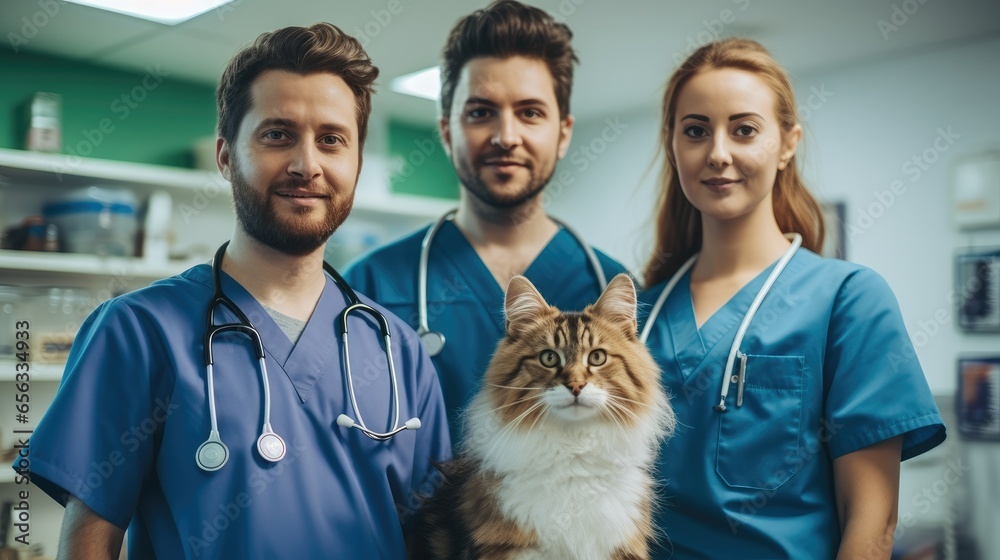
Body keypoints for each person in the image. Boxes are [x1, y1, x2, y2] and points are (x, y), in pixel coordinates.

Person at [21, 24, 451, 559]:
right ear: (226, 156)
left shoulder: (399, 351)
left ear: (357, 164)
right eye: (277, 134)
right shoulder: (139, 331)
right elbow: (89, 545)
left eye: (332, 140)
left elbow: (432, 540)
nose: (306, 164)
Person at [636, 38, 946, 559]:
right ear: (673, 145)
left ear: (787, 143)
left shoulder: (848, 300)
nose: (718, 153)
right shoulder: (637, 317)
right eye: (695, 131)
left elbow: (873, 526)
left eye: (744, 129)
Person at [344, 0, 628, 443]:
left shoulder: (610, 285)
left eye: (530, 112)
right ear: (445, 129)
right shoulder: (371, 285)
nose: (506, 136)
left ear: (564, 132)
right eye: (480, 112)